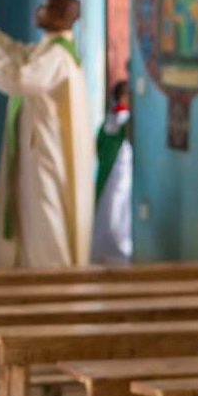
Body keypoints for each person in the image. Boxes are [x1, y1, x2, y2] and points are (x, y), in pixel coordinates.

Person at [0, 0, 95, 268]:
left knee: (45, 216)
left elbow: (21, 78)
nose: (39, 9)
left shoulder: (58, 56)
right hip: (35, 150)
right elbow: (20, 53)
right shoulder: (50, 48)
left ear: (62, 15)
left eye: (47, 6)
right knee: (31, 216)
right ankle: (29, 273)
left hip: (45, 155)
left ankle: (53, 281)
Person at [91, 80, 133, 265]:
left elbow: (98, 145)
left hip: (104, 173)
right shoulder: (126, 120)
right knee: (120, 212)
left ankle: (101, 250)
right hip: (121, 174)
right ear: (124, 97)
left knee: (105, 212)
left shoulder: (108, 119)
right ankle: (119, 251)